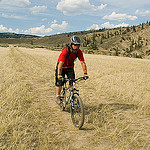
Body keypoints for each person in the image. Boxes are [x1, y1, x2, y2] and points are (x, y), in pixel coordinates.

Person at [55, 36, 88, 104]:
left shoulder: (79, 52)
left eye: (78, 45)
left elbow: (82, 62)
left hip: (70, 68)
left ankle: (72, 98)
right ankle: (58, 96)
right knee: (59, 83)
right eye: (74, 45)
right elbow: (60, 64)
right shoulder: (66, 51)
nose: (76, 46)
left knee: (72, 83)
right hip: (61, 68)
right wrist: (59, 75)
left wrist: (85, 73)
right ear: (71, 44)